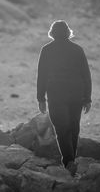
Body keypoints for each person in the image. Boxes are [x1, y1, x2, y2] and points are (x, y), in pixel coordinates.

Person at [36, 20, 92, 175]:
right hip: (76, 94)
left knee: (62, 129)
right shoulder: (77, 49)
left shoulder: (46, 50)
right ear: (68, 32)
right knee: (74, 128)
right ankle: (70, 161)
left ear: (52, 33)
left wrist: (40, 98)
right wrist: (88, 98)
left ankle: (69, 162)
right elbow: (86, 75)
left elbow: (41, 76)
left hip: (56, 95)